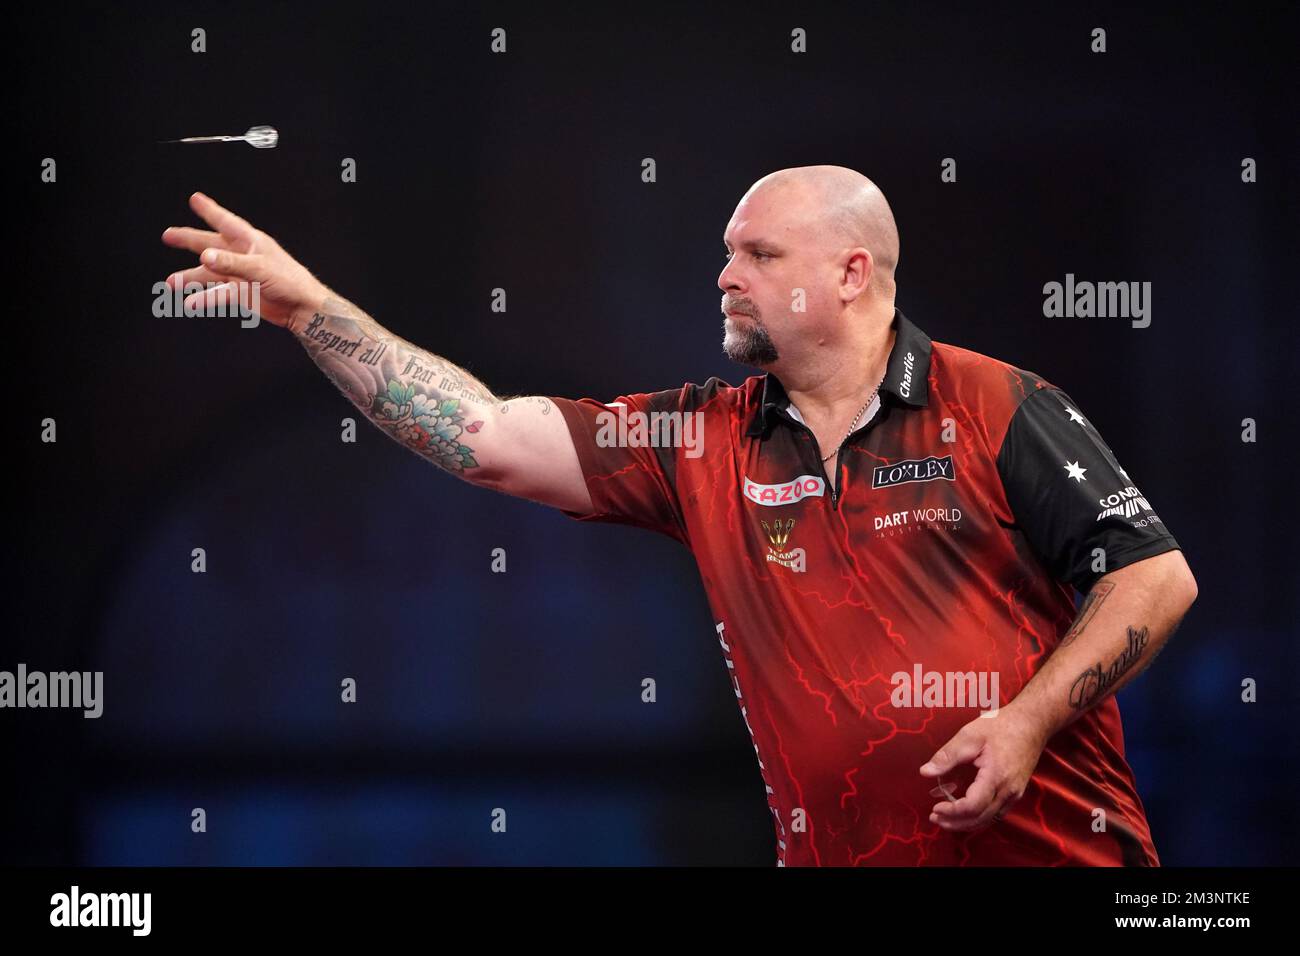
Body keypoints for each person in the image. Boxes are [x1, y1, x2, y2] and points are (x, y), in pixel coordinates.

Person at [160, 165, 1197, 866]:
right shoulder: (701, 439)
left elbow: (1153, 576)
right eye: (725, 251)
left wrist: (1025, 719)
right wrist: (308, 309)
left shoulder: (995, 403)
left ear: (850, 273)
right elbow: (479, 433)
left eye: (758, 255)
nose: (725, 274)